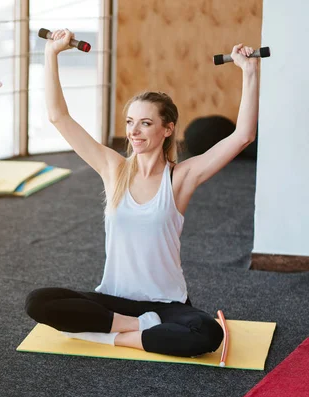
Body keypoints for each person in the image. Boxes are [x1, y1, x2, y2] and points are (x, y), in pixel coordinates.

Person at [25, 29, 259, 357]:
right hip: (113, 300)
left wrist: (249, 72)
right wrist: (51, 53)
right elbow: (58, 117)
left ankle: (107, 335)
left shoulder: (180, 179)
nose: (134, 132)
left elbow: (243, 136)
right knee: (38, 301)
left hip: (165, 305)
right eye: (130, 122)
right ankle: (134, 328)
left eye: (146, 123)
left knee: (206, 333)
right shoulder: (113, 169)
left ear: (168, 129)